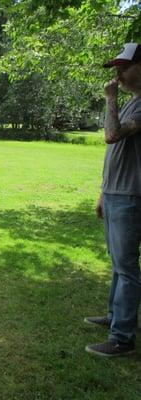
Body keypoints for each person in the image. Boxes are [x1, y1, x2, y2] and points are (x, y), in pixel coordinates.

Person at [85, 43, 141, 357]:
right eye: (115, 68)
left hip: (131, 197)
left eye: (124, 67)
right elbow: (115, 153)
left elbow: (111, 135)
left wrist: (109, 99)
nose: (117, 74)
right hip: (115, 194)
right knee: (119, 265)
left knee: (127, 267)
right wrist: (103, 193)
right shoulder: (133, 103)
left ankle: (122, 338)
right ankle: (115, 318)